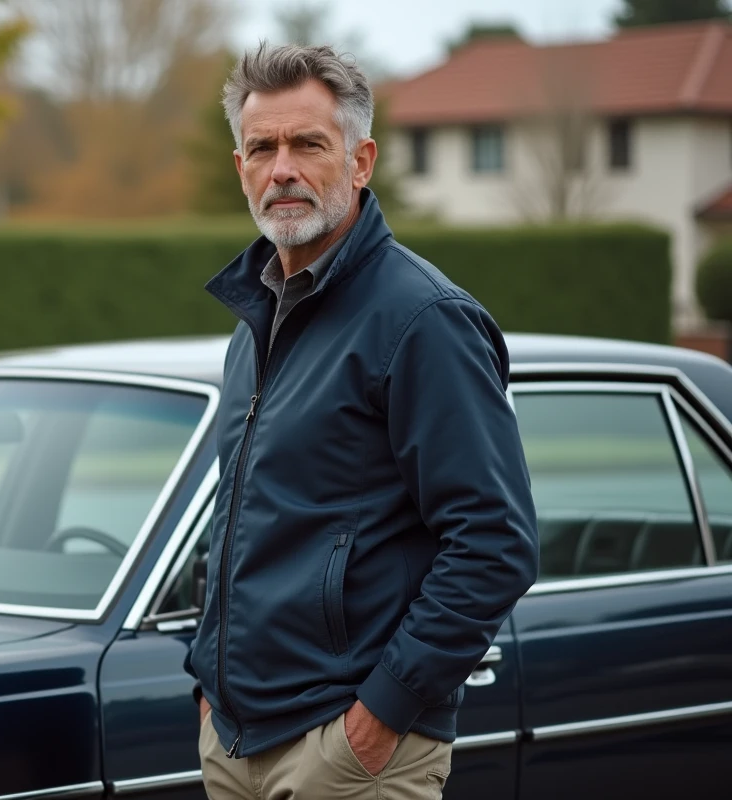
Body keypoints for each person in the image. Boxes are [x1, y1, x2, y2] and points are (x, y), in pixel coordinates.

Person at [183, 43, 540, 799]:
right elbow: (245, 521)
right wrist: (209, 688)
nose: (282, 168)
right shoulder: (254, 325)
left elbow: (495, 543)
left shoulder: (422, 321)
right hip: (237, 740)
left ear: (361, 159)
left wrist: (380, 716)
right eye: (262, 147)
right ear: (240, 165)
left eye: (308, 144)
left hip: (347, 754)